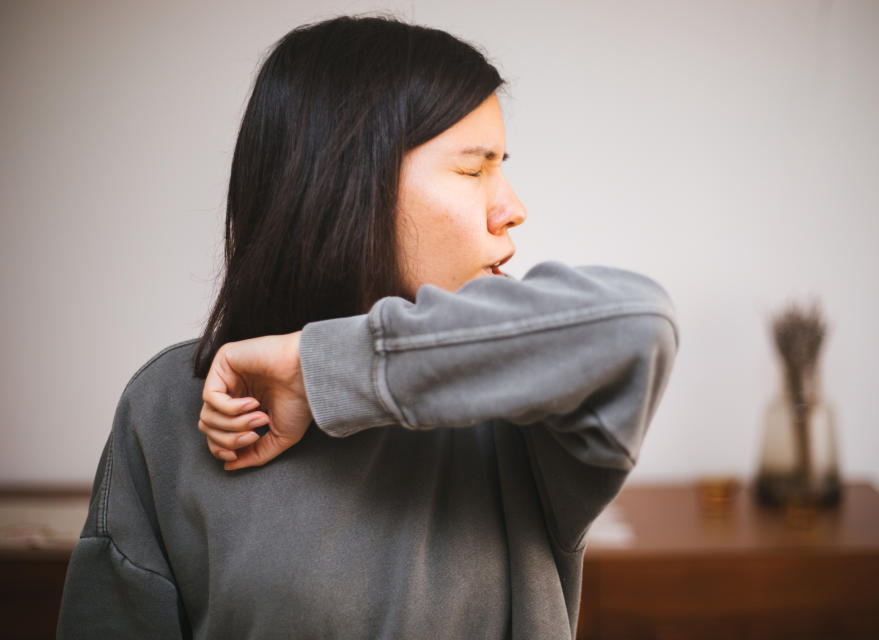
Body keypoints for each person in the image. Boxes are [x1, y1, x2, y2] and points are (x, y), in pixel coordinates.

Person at [56, 14, 679, 640]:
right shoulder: (168, 405)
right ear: (349, 181)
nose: (512, 207)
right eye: (473, 169)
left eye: (502, 166)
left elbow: (636, 322)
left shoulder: (521, 402)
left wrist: (316, 371)